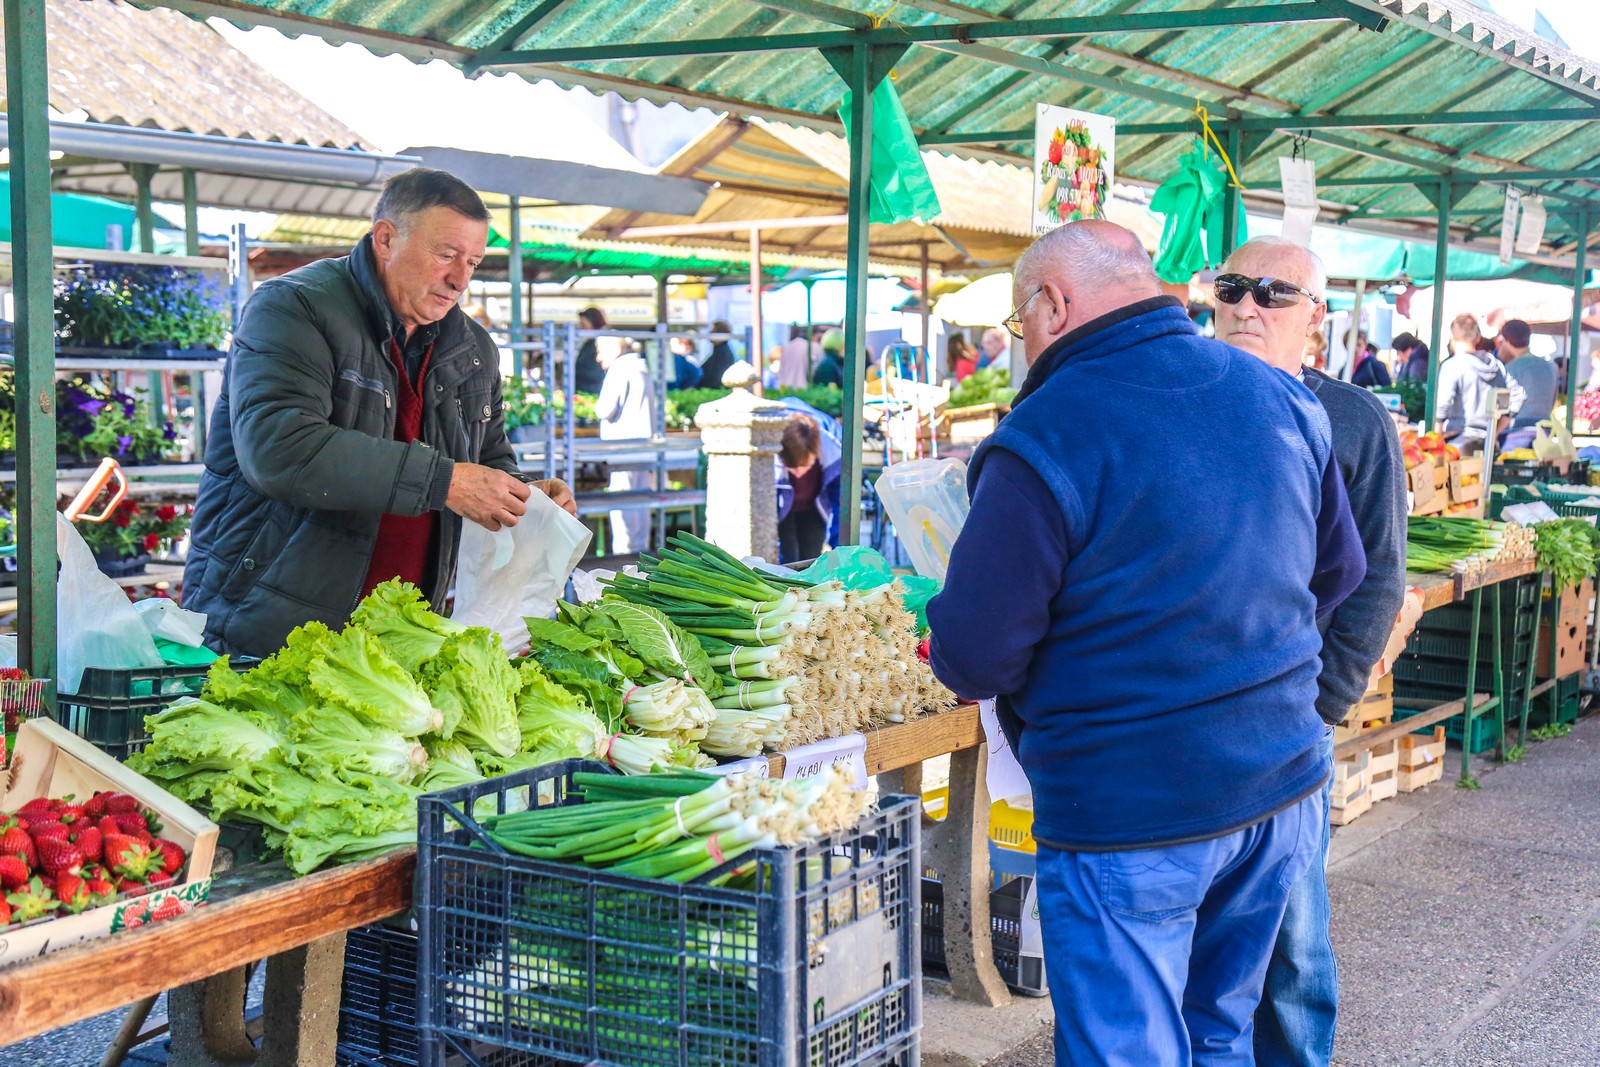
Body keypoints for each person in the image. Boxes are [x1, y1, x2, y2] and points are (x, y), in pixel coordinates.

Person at [926, 220, 1363, 1066]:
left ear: (1052, 305)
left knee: (1132, 1051)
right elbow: (1339, 571)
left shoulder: (1044, 431)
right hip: (1278, 790)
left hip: (1130, 810)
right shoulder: (1275, 393)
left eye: (1022, 324)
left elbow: (976, 654)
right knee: (1218, 1033)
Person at [184, 168, 575, 656]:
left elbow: (487, 455)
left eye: (473, 262)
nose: (459, 279)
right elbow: (279, 448)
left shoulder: (472, 347)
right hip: (266, 622)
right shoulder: (293, 308)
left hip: (401, 635)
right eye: (446, 255)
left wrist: (521, 493)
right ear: (386, 239)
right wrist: (447, 482)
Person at [1215, 238, 1408, 1067]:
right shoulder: (1181, 397)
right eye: (1232, 288)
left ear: (1316, 315)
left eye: (1275, 292)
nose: (1249, 306)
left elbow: (1377, 578)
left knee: (1293, 934)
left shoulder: (1354, 421)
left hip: (1291, 723)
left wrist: (1321, 701)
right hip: (1188, 714)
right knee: (1196, 935)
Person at [595, 337, 654, 556]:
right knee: (640, 502)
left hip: (622, 448)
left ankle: (624, 555)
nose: (598, 357)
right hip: (643, 446)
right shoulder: (641, 367)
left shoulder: (619, 370)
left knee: (622, 505)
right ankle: (640, 550)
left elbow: (604, 409)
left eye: (601, 351)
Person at [1436, 313, 1524, 454]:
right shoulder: (1496, 365)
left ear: (1452, 338)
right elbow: (1518, 396)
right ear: (1477, 338)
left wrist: (1436, 438)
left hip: (1458, 444)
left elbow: (1442, 405)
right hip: (1489, 444)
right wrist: (1495, 431)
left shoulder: (1453, 365)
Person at [775, 414, 827, 563]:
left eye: (805, 465)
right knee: (789, 559)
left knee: (811, 560)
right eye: (791, 467)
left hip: (814, 509)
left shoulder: (829, 452)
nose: (798, 474)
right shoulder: (780, 451)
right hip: (784, 511)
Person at [1498, 319, 1556, 435]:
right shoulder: (1550, 366)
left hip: (1517, 431)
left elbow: (1503, 408)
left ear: (1506, 341)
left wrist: (1496, 433)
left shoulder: (1510, 369)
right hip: (1545, 429)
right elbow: (1553, 400)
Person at [572, 306, 607, 394]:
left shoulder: (598, 343)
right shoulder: (590, 343)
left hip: (591, 389)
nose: (581, 327)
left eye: (583, 325)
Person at [699, 320, 738, 388]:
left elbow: (715, 379)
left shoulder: (722, 354)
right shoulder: (719, 352)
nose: (709, 334)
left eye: (713, 332)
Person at [777, 325, 817, 390]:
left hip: (785, 390)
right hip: (804, 391)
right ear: (813, 336)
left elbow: (780, 372)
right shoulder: (812, 347)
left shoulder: (786, 347)